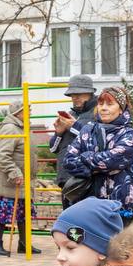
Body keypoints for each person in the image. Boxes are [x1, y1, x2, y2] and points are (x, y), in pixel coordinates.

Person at [63, 86, 133, 223]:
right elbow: (69, 161)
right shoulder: (88, 129)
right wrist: (99, 166)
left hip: (118, 206)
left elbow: (112, 161)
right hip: (86, 203)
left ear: (121, 108)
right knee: (84, 243)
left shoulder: (129, 135)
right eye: (101, 103)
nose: (103, 108)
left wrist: (85, 157)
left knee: (116, 244)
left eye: (110, 104)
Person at [0, 102, 38, 257]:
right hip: (10, 180)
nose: (30, 111)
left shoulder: (24, 127)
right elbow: (3, 156)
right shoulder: (10, 128)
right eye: (27, 109)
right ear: (19, 112)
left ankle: (24, 244)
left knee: (24, 212)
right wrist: (15, 173)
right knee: (3, 213)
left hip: (23, 180)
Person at [49, 74, 99, 207]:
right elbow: (53, 149)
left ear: (89, 93)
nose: (74, 98)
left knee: (83, 220)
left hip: (84, 179)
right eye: (72, 95)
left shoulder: (97, 113)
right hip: (66, 178)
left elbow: (95, 140)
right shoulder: (72, 115)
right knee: (69, 221)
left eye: (79, 94)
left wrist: (73, 126)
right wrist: (58, 133)